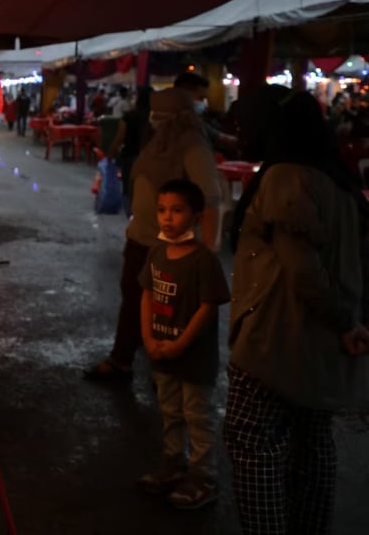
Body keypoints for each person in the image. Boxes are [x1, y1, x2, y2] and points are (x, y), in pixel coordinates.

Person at [225, 85, 369, 534]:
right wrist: (368, 316)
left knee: (254, 443)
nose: (243, 130)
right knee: (312, 443)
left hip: (274, 341)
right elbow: (367, 255)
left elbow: (303, 270)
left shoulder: (284, 178)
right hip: (324, 348)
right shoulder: (337, 176)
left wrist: (345, 320)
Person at [84, 87, 223, 383]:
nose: (155, 120)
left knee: (169, 311)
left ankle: (167, 369)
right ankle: (126, 361)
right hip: (142, 239)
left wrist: (207, 250)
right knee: (136, 301)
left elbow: (211, 200)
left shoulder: (193, 146)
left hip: (172, 247)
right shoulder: (159, 141)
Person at [136, 178, 230, 509]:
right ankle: (174, 462)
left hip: (194, 358)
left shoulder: (204, 260)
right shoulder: (157, 252)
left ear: (196, 216)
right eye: (162, 210)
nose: (167, 218)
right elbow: (147, 294)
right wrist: (148, 337)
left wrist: (178, 345)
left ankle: (204, 476)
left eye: (177, 211)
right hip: (161, 351)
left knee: (198, 415)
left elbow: (208, 308)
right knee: (170, 411)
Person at [107, 85, 152, 216]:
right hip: (151, 159)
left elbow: (120, 137)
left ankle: (132, 216)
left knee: (129, 189)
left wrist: (110, 154)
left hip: (130, 156)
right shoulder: (156, 118)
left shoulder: (130, 116)